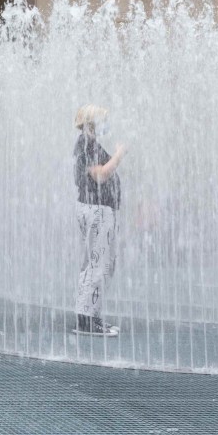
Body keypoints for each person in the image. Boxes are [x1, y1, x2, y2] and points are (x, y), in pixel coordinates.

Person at [73, 105, 125, 336]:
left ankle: (92, 316)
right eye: (103, 120)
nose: (107, 124)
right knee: (97, 265)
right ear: (92, 122)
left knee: (99, 265)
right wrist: (119, 154)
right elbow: (101, 175)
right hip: (97, 211)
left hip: (97, 210)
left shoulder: (87, 143)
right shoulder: (87, 143)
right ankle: (86, 321)